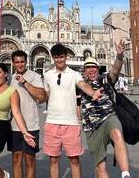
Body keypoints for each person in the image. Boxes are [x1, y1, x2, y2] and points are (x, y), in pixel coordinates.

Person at [44, 44, 103, 178]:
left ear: (66, 57)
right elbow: (45, 96)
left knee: (74, 160)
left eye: (61, 57)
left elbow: (82, 85)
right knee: (53, 160)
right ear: (53, 58)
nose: (59, 60)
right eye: (56, 57)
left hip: (71, 122)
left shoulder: (74, 74)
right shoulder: (47, 75)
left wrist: (93, 93)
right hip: (52, 122)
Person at [80, 40, 132, 178]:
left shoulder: (105, 80)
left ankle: (126, 174)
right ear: (84, 71)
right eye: (88, 67)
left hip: (108, 117)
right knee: (100, 167)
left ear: (98, 69)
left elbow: (115, 70)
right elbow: (76, 106)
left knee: (117, 133)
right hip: (91, 127)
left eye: (94, 67)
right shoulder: (80, 85)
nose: (91, 70)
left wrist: (119, 56)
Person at [9, 50, 46, 178]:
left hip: (31, 124)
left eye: (22, 62)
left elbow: (41, 96)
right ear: (13, 63)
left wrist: (24, 82)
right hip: (14, 126)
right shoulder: (9, 78)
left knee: (29, 160)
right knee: (16, 159)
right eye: (17, 62)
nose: (20, 64)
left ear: (26, 61)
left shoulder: (34, 76)